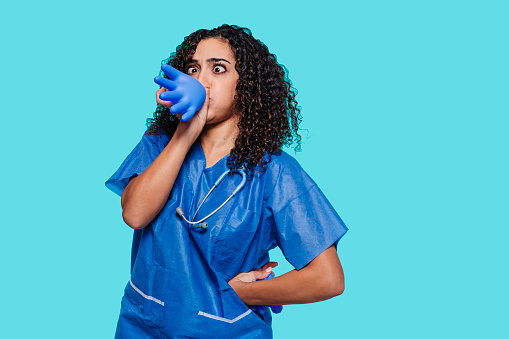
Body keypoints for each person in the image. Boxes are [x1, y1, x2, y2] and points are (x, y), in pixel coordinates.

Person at [106, 24, 348, 338]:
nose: (201, 80)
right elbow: (135, 214)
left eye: (218, 69)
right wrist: (186, 131)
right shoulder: (160, 144)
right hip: (142, 325)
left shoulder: (275, 172)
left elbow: (328, 279)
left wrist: (247, 294)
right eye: (192, 69)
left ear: (246, 85)